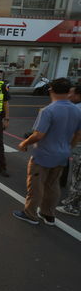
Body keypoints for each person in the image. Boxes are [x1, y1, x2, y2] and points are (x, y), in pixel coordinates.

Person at [14, 78, 81, 225]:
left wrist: (24, 143)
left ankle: (30, 214)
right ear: (69, 91)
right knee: (53, 185)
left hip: (44, 154)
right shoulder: (76, 110)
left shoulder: (48, 110)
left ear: (51, 90)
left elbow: (39, 135)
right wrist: (68, 147)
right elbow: (78, 134)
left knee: (36, 185)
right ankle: (48, 214)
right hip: (63, 154)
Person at [57, 85, 81, 216]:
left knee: (77, 179)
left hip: (78, 148)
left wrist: (70, 145)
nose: (69, 95)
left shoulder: (76, 109)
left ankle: (72, 207)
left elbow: (76, 132)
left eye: (71, 93)